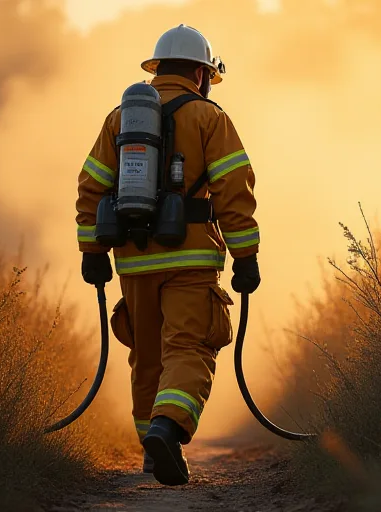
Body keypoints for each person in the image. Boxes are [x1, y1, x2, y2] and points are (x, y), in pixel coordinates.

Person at [74, 24, 261, 486]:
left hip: (133, 261)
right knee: (190, 347)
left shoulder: (120, 119)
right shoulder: (209, 117)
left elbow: (91, 185)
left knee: (148, 356)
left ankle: (153, 455)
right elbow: (234, 189)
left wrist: (92, 250)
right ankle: (166, 430)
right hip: (192, 257)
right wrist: (246, 255)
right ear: (201, 72)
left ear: (157, 69)